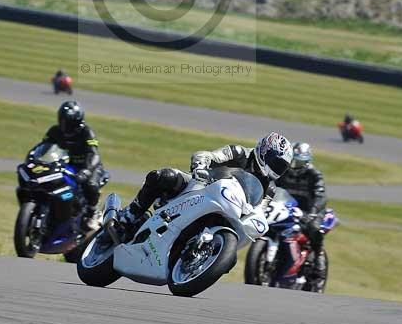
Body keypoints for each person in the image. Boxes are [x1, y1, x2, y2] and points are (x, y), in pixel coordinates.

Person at [119, 132, 293, 236]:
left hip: (230, 213)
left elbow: (259, 211)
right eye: (276, 163)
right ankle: (131, 214)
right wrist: (200, 167)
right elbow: (207, 155)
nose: (277, 170)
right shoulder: (239, 153)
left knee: (229, 261)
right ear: (264, 152)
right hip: (201, 186)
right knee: (163, 176)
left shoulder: (269, 189)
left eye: (282, 167)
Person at [44, 100, 107, 231]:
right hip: (67, 166)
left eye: (67, 122)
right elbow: (44, 148)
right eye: (62, 120)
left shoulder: (86, 132)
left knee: (90, 185)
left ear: (77, 121)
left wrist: (87, 171)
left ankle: (93, 213)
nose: (64, 125)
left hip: (89, 166)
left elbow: (94, 153)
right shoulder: (55, 131)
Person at [279, 141, 327, 292]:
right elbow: (273, 187)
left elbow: (321, 196)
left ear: (306, 161)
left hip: (310, 212)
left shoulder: (314, 175)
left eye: (297, 161)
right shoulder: (284, 172)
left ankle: (319, 261)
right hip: (287, 209)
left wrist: (312, 213)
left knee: (315, 229)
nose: (293, 164)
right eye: (292, 160)